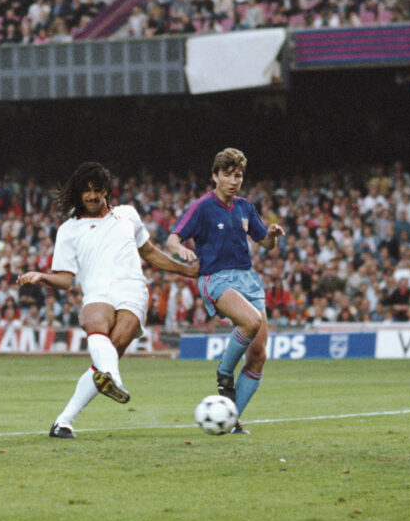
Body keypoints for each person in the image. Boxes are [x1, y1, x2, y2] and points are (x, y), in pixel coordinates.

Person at [17, 162, 198, 439]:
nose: (91, 196)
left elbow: (149, 252)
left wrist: (188, 271)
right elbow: (66, 279)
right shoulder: (69, 229)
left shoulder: (127, 215)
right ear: (78, 193)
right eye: (86, 191)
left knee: (110, 351)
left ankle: (67, 417)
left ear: (106, 191)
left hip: (133, 291)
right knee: (95, 324)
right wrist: (42, 276)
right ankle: (99, 392)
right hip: (97, 291)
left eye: (97, 190)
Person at [166, 148, 284, 435]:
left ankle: (230, 420)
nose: (234, 180)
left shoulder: (244, 207)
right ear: (215, 176)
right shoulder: (202, 206)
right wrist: (181, 249)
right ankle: (224, 372)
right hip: (216, 278)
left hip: (248, 279)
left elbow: (265, 243)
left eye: (238, 175)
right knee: (251, 321)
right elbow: (171, 239)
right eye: (228, 175)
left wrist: (271, 235)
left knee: (258, 355)